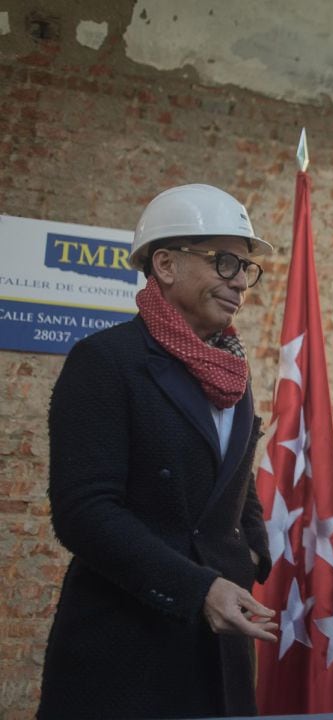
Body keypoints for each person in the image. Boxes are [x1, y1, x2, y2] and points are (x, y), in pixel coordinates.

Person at [39, 184, 278, 719]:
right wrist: (198, 588)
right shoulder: (104, 361)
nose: (240, 280)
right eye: (224, 262)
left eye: (245, 267)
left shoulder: (231, 371)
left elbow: (235, 480)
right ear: (165, 264)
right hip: (128, 650)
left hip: (220, 650)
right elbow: (84, 513)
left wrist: (253, 548)